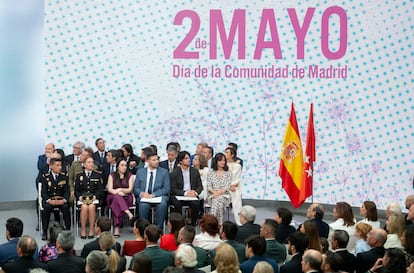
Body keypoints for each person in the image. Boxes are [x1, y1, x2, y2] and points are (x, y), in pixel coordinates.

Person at [134, 151, 171, 230]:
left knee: (162, 204)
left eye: (157, 160)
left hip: (158, 196)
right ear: (147, 161)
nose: (156, 162)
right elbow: (136, 188)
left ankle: (158, 230)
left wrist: (154, 194)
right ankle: (144, 230)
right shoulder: (140, 172)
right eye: (153, 160)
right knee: (143, 205)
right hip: (145, 197)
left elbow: (166, 188)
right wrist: (142, 193)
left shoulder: (164, 172)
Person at [40, 158, 71, 241]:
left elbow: (67, 191)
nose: (60, 167)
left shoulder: (64, 177)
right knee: (46, 207)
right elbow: (43, 193)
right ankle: (45, 231)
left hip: (61, 200)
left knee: (65, 207)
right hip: (50, 200)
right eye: (57, 165)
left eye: (60, 165)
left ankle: (68, 229)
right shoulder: (45, 177)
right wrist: (49, 200)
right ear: (51, 166)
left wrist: (64, 200)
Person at [170, 151, 203, 226]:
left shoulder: (194, 171)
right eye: (186, 158)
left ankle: (193, 223)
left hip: (192, 195)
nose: (189, 160)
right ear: (181, 161)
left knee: (196, 203)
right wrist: (185, 193)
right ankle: (180, 224)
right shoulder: (175, 172)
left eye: (189, 158)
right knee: (176, 202)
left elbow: (200, 186)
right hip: (180, 195)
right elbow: (173, 189)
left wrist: (195, 192)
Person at [75, 156, 105, 238]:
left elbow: (100, 189)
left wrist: (96, 196)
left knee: (91, 207)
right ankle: (83, 229)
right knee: (84, 207)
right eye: (89, 162)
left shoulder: (98, 175)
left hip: (94, 199)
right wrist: (79, 197)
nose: (91, 164)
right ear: (84, 164)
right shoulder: (79, 176)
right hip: (83, 199)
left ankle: (92, 229)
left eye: (92, 162)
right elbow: (76, 190)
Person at [107, 158, 135, 237]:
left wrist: (120, 189)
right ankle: (128, 212)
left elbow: (130, 189)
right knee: (116, 197)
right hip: (112, 197)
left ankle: (117, 228)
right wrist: (117, 193)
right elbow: (110, 189)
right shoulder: (112, 175)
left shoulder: (130, 176)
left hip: (126, 197)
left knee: (117, 203)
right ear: (117, 166)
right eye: (122, 165)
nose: (124, 167)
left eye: (126, 165)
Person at [206, 153, 232, 225]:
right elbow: (209, 186)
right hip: (212, 195)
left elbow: (227, 186)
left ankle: (211, 223)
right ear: (216, 161)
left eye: (224, 160)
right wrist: (215, 193)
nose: (223, 162)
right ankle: (219, 224)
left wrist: (218, 193)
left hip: (225, 196)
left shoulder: (228, 172)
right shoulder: (210, 172)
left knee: (217, 200)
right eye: (220, 160)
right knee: (218, 203)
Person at [225, 147, 242, 225]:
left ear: (232, 155)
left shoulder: (237, 166)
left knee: (236, 195)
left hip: (233, 187)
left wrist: (231, 185)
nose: (225, 154)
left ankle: (239, 221)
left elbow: (237, 179)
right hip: (224, 187)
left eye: (227, 152)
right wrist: (228, 186)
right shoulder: (222, 165)